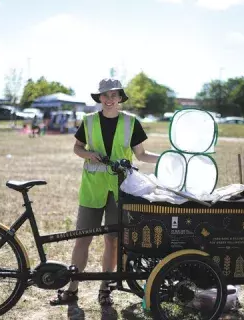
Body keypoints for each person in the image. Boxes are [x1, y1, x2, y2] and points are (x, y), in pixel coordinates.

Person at [49, 78, 160, 307]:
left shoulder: (131, 122)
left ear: (120, 98)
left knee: (112, 241)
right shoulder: (88, 121)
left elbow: (141, 155)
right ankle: (72, 290)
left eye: (114, 95)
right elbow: (77, 147)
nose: (109, 99)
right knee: (82, 239)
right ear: (99, 98)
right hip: (92, 189)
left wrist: (169, 158)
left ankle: (105, 289)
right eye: (105, 95)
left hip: (120, 190)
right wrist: (88, 154)